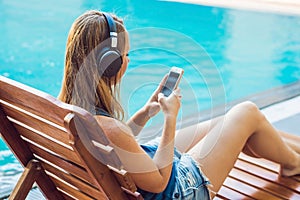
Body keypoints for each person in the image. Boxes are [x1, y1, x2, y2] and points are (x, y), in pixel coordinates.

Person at [58, 10, 300, 199]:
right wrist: (170, 118)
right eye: (126, 55)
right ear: (109, 63)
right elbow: (161, 180)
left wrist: (145, 113)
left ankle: (294, 155)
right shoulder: (109, 128)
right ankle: (293, 164)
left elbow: (116, 145)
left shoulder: (68, 111)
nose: (128, 61)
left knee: (225, 124)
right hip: (178, 191)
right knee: (246, 113)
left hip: (145, 175)